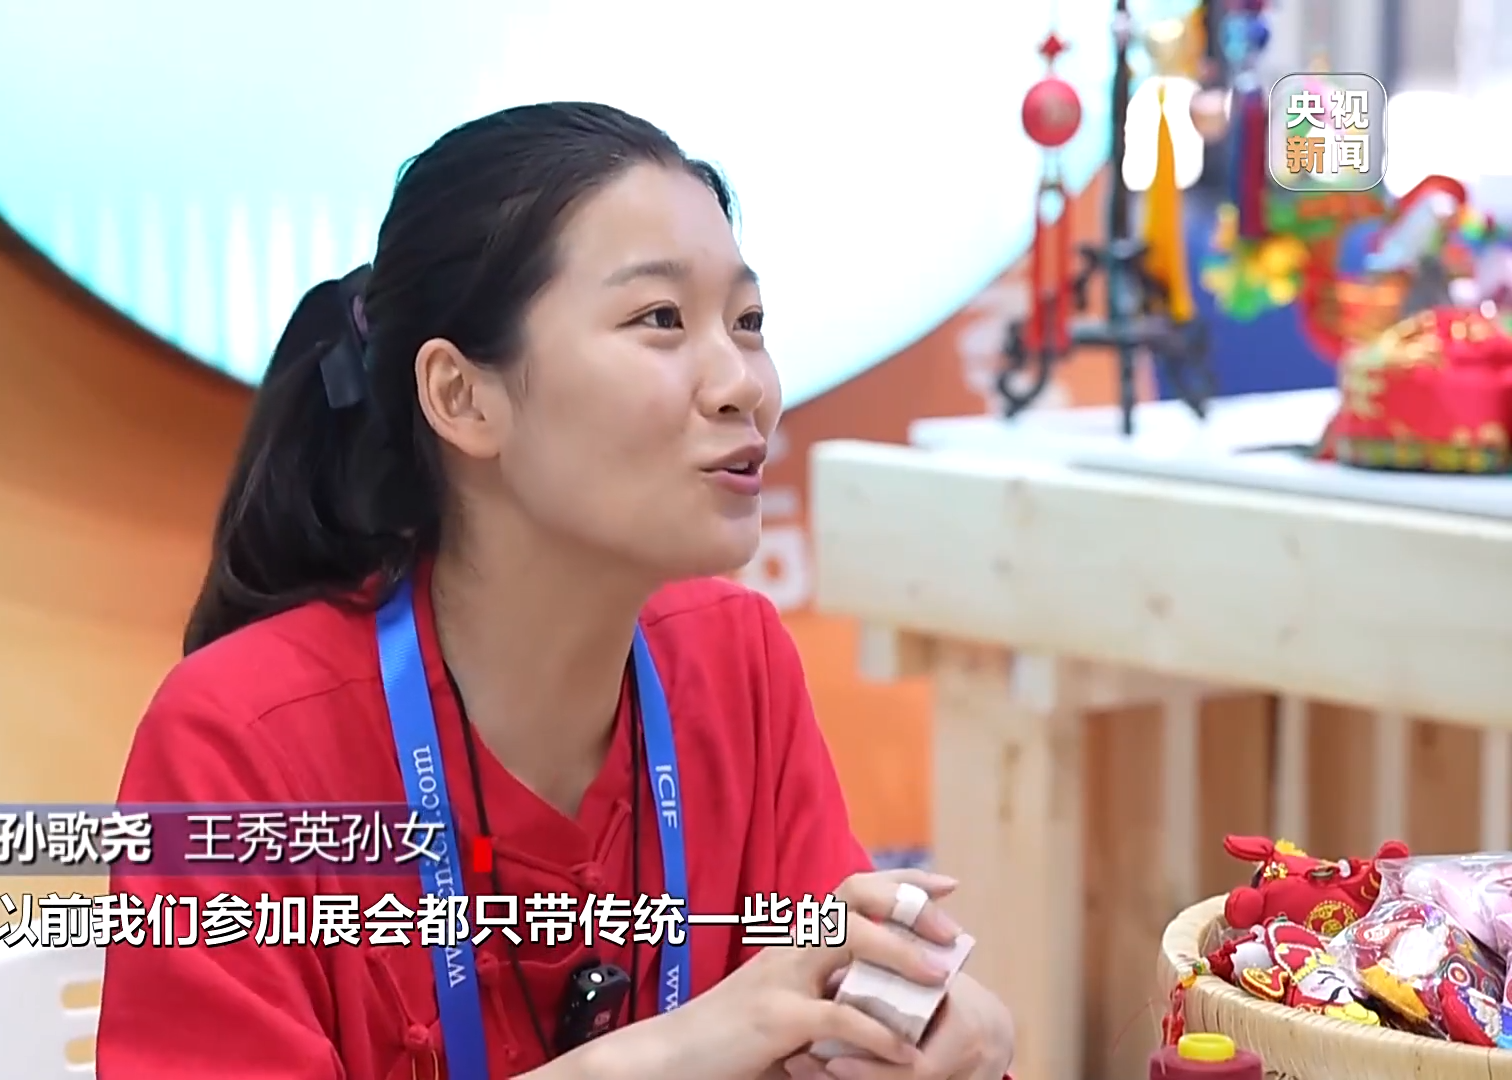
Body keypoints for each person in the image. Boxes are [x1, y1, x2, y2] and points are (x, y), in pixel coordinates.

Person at [96, 101, 1016, 1080]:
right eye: (660, 320)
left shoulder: (734, 658)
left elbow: (832, 1010)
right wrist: (682, 1049)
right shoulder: (240, 740)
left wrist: (940, 1032)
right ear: (462, 396)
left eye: (748, 323)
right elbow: (748, 1027)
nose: (742, 383)